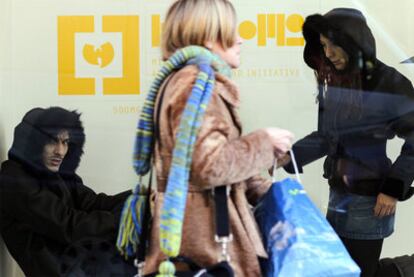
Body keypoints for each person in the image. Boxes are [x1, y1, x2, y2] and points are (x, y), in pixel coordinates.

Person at [124, 0, 294, 276]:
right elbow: (209, 165)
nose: (241, 39)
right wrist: (263, 142)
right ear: (208, 37)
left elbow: (202, 160)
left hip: (195, 237)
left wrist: (271, 189)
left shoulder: (184, 79)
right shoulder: (195, 83)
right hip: (207, 245)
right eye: (231, 31)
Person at [284, 8, 414, 276]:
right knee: (339, 271)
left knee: (360, 273)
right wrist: (289, 156)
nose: (329, 53)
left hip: (370, 202)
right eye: (323, 46)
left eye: (334, 45)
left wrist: (393, 187)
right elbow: (326, 137)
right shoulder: (337, 82)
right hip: (338, 197)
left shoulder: (390, 83)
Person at [0, 107, 135, 276]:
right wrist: (127, 221)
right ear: (33, 141)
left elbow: (94, 203)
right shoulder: (13, 178)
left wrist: (140, 197)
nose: (60, 151)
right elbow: (68, 226)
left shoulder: (56, 174)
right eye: (51, 140)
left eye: (64, 142)